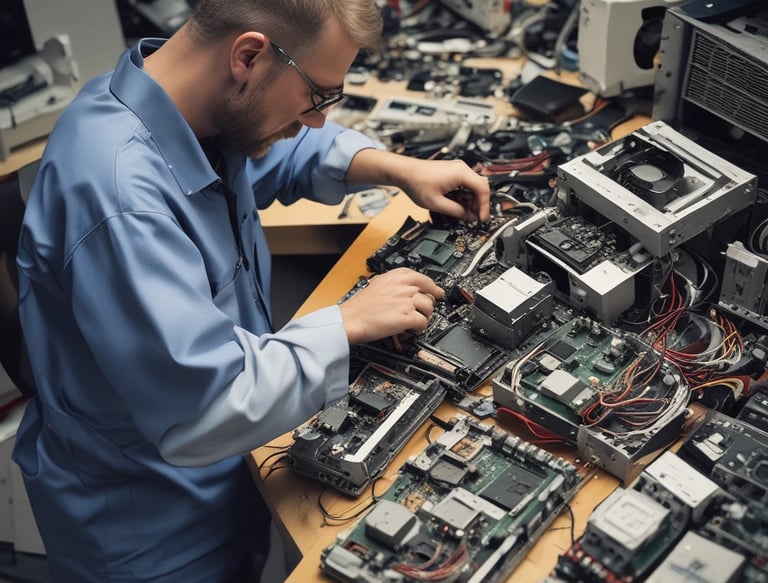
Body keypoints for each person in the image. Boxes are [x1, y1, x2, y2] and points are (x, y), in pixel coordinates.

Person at [12, 0, 491, 581]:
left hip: (232, 472)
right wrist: (345, 322)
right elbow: (204, 410)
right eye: (317, 95)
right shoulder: (118, 195)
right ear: (247, 56)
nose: (318, 120)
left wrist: (397, 167)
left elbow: (278, 148)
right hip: (149, 527)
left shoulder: (188, 106)